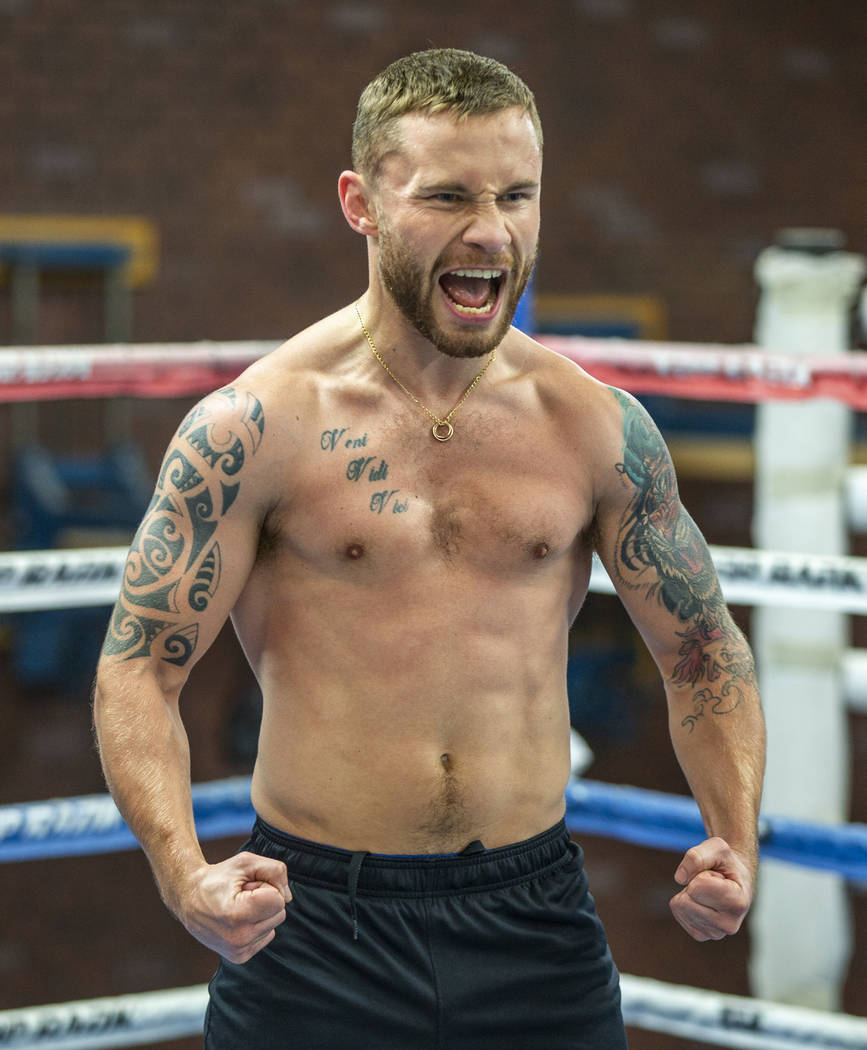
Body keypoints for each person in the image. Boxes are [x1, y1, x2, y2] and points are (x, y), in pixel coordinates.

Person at [93, 48, 766, 1050]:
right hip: (314, 925)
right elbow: (139, 666)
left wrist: (734, 838)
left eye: (517, 196)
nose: (490, 231)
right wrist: (181, 869)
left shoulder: (592, 427)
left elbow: (701, 647)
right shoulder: (254, 428)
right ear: (360, 204)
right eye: (448, 195)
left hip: (533, 917)